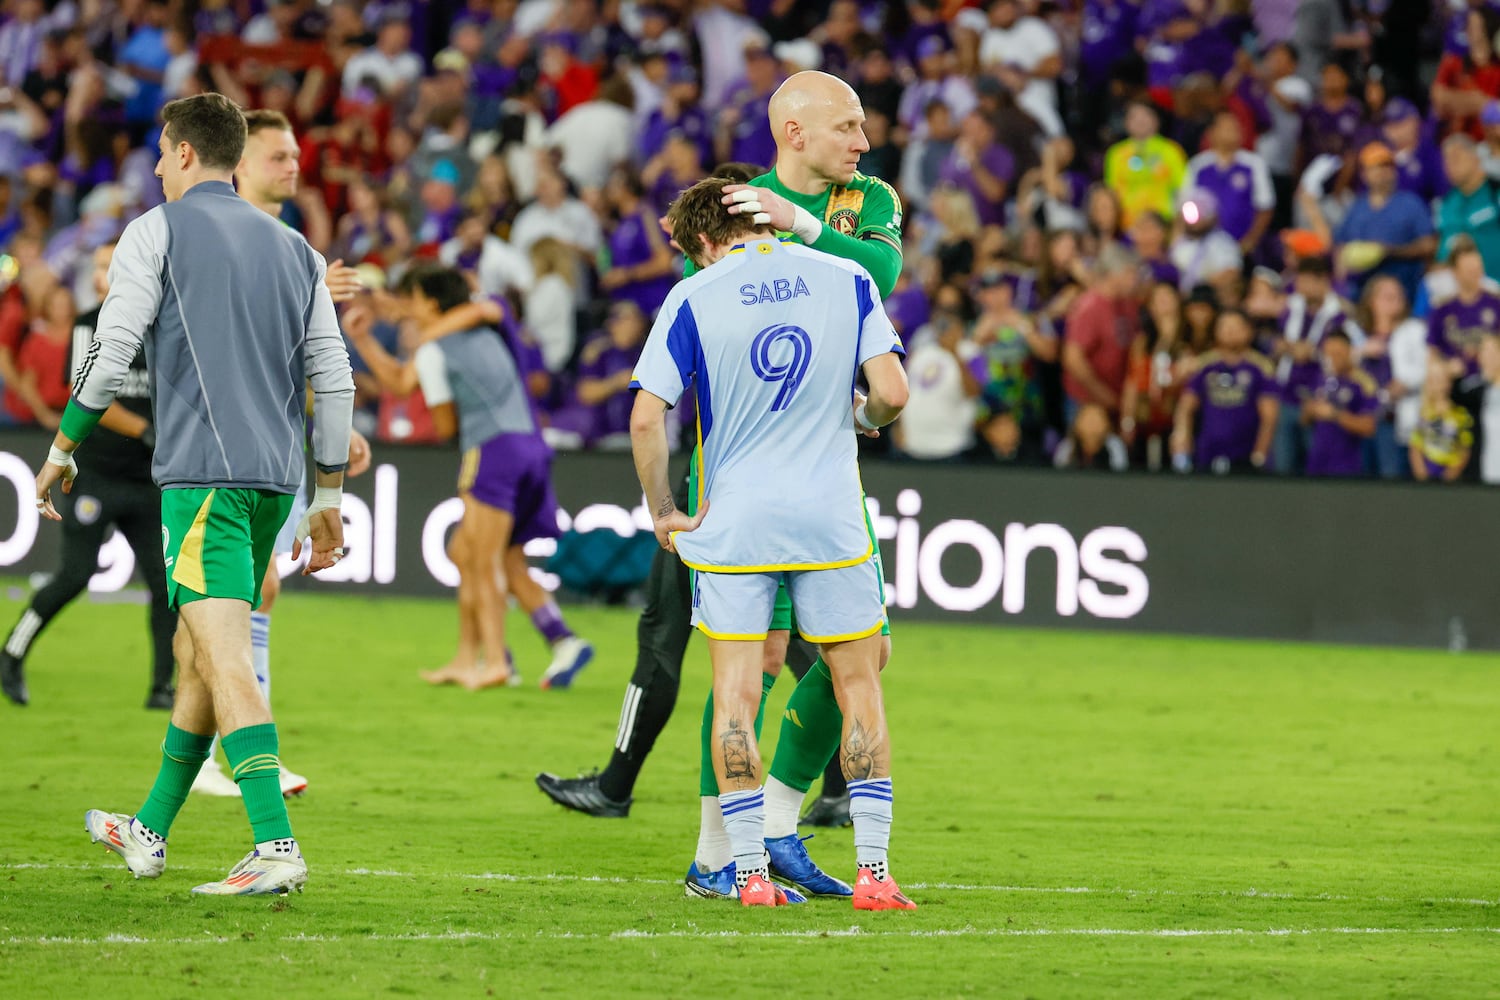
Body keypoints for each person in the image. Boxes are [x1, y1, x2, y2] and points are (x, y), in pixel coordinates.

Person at [537, 73, 902, 899]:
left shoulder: (863, 199)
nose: (863, 142)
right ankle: (717, 848)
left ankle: (769, 824)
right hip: (729, 477)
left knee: (860, 652)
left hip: (815, 470)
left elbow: (885, 272)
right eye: (847, 125)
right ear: (793, 130)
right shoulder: (736, 204)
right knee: (749, 658)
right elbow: (703, 282)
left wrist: (801, 226)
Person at [36, 93, 354, 896]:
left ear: (181, 153)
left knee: (223, 655)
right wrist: (326, 498)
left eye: (158, 153)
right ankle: (149, 827)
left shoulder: (156, 229)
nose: (153, 167)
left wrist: (63, 445)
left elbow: (111, 353)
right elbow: (334, 380)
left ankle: (275, 846)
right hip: (273, 486)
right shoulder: (298, 251)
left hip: (203, 481)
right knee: (194, 653)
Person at [630, 175, 913, 910]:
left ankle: (749, 872)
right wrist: (861, 415)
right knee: (860, 683)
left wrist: (663, 508)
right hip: (831, 518)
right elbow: (892, 394)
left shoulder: (693, 295)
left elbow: (644, 416)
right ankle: (875, 873)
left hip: (736, 522)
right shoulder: (845, 274)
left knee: (736, 691)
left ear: (700, 240)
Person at [190, 107, 372, 800]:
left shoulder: (289, 242)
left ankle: (227, 755)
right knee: (240, 595)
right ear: (238, 164)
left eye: (296, 154)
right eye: (278, 156)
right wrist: (309, 298)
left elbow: (295, 359)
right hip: (217, 443)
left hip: (273, 439)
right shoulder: (220, 235)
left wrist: (332, 421)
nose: (293, 165)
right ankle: (239, 755)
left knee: (249, 596)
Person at [347, 285, 593, 690]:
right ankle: (554, 641)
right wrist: (369, 334)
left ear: (430, 302)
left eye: (411, 302)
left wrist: (414, 333)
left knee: (482, 557)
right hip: (531, 444)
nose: (404, 314)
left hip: (493, 449)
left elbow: (413, 394)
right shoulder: (484, 328)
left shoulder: (449, 337)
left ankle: (496, 661)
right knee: (478, 553)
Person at [0, 241, 174, 709]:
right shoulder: (88, 325)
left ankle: (162, 687)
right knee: (75, 575)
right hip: (95, 475)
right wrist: (146, 430)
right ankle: (10, 655)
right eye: (98, 267)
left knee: (164, 585)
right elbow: (87, 393)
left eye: (111, 265)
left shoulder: (161, 326)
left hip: (147, 481)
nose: (104, 275)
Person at [1171, 309, 1280, 474]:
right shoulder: (1205, 365)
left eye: (1235, 327)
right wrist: (1182, 434)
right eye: (1225, 327)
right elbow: (1186, 405)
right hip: (1208, 451)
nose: (1229, 332)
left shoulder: (1260, 367)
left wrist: (1260, 453)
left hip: (1245, 453)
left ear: (1248, 331)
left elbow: (1269, 415)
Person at [1273, 255, 1350, 475]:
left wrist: (1313, 352)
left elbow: (1348, 352)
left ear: (1322, 281)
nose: (1299, 286)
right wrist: (1286, 347)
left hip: (1319, 399)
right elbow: (1276, 339)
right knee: (1282, 467)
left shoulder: (1340, 314)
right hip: (1286, 395)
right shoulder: (1291, 308)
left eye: (1305, 281)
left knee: (1316, 466)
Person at [1062, 243, 1141, 423]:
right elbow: (1073, 359)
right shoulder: (1089, 307)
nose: (1135, 279)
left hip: (1117, 397)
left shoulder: (1126, 302)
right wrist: (1102, 394)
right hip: (1087, 403)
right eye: (1130, 273)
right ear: (1114, 274)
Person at [1303, 329, 1380, 477]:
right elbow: (1305, 420)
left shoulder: (1363, 383)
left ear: (1349, 352)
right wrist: (1310, 410)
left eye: (1337, 354)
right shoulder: (1321, 378)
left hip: (1347, 464)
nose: (1332, 359)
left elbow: (1369, 427)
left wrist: (1335, 414)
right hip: (1317, 461)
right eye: (1328, 354)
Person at [1103, 99, 1186, 229]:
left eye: (1146, 115)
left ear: (1156, 120)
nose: (1140, 121)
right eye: (1134, 116)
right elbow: (1111, 192)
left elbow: (1182, 189)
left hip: (1164, 225)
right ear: (1126, 122)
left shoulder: (1172, 150)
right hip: (1127, 226)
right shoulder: (1115, 154)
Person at [1428, 235, 1500, 381]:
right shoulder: (1443, 309)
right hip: (1455, 383)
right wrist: (1446, 367)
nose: (1475, 274)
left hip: (1491, 380)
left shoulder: (1495, 303)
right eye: (1469, 270)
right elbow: (1432, 355)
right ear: (1454, 272)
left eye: (1477, 268)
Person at [1437, 134, 1500, 280]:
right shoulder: (1447, 203)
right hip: (1468, 295)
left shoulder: (1494, 191)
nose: (1450, 164)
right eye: (1446, 160)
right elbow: (1443, 252)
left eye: (1456, 157)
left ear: (1475, 157)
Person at [1409, 366, 1473, 482]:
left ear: (1449, 383)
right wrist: (1421, 473)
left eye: (1441, 379)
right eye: (1434, 380)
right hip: (1427, 471)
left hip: (1450, 474)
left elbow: (1465, 449)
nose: (1438, 385)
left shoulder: (1461, 414)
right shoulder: (1424, 413)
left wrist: (1451, 474)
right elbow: (1415, 446)